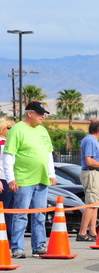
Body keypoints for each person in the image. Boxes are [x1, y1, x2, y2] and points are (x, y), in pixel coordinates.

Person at [2, 101, 57, 258]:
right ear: (30, 113)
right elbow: (8, 156)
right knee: (21, 213)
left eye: (44, 114)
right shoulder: (17, 130)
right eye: (40, 113)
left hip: (41, 178)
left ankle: (39, 246)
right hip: (24, 179)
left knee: (39, 214)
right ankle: (17, 247)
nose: (42, 116)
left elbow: (48, 154)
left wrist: (51, 173)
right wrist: (10, 178)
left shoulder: (42, 131)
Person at [0, 120, 15, 237]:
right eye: (9, 127)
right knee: (3, 210)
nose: (11, 130)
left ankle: (9, 238)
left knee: (11, 211)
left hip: (13, 179)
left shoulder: (12, 142)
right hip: (2, 180)